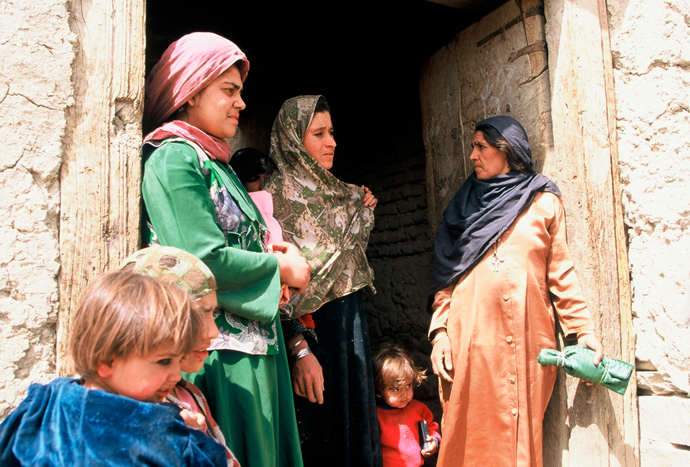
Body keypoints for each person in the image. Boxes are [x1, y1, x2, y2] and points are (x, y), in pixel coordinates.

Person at [141, 32, 310, 467]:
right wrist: (283, 269)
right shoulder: (174, 159)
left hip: (255, 349)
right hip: (219, 354)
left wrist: (270, 256)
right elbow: (199, 259)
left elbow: (241, 240)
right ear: (191, 91)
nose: (241, 103)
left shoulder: (215, 162)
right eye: (228, 91)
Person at [428, 115, 604, 467]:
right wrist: (439, 333)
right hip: (470, 342)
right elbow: (445, 280)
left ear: (506, 150)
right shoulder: (462, 209)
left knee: (519, 435)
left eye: (481, 146)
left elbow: (561, 272)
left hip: (526, 342)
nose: (473, 156)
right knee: (467, 434)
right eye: (472, 147)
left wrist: (582, 330)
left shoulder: (543, 202)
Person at [0, 270, 228, 467]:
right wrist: (197, 440)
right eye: (164, 361)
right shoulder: (156, 432)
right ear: (106, 361)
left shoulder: (43, 405)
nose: (176, 375)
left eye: (179, 360)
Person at [264, 95, 381, 467]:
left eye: (331, 132)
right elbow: (273, 288)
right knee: (315, 433)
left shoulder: (344, 195)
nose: (332, 142)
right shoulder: (271, 200)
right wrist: (298, 347)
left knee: (355, 428)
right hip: (308, 334)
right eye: (319, 133)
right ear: (294, 139)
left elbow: (346, 259)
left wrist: (360, 212)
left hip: (350, 324)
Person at [120, 245, 239, 467]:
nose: (214, 332)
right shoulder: (120, 415)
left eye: (213, 313)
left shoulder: (189, 395)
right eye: (199, 313)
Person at [372, 344, 440, 467]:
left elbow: (431, 426)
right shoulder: (375, 414)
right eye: (396, 389)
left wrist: (434, 441)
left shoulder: (419, 409)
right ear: (379, 391)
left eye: (408, 386)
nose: (404, 395)